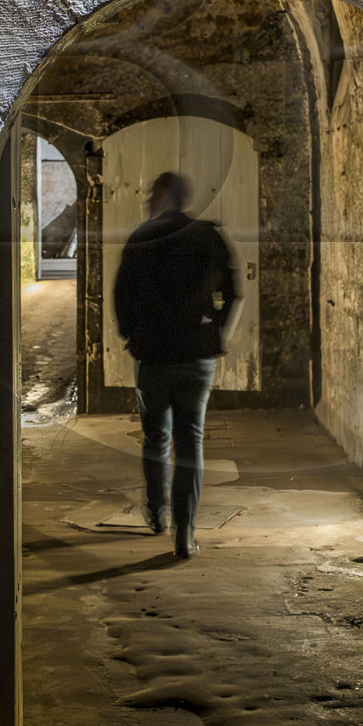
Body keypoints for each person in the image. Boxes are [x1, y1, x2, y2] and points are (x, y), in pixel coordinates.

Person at [112, 170, 240, 560]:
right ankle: (185, 533)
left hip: (154, 355)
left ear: (167, 197)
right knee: (190, 442)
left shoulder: (141, 237)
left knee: (156, 438)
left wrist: (131, 335)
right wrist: (215, 330)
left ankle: (158, 512)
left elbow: (122, 295)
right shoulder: (208, 236)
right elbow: (232, 292)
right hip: (195, 354)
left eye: (154, 192)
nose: (149, 197)